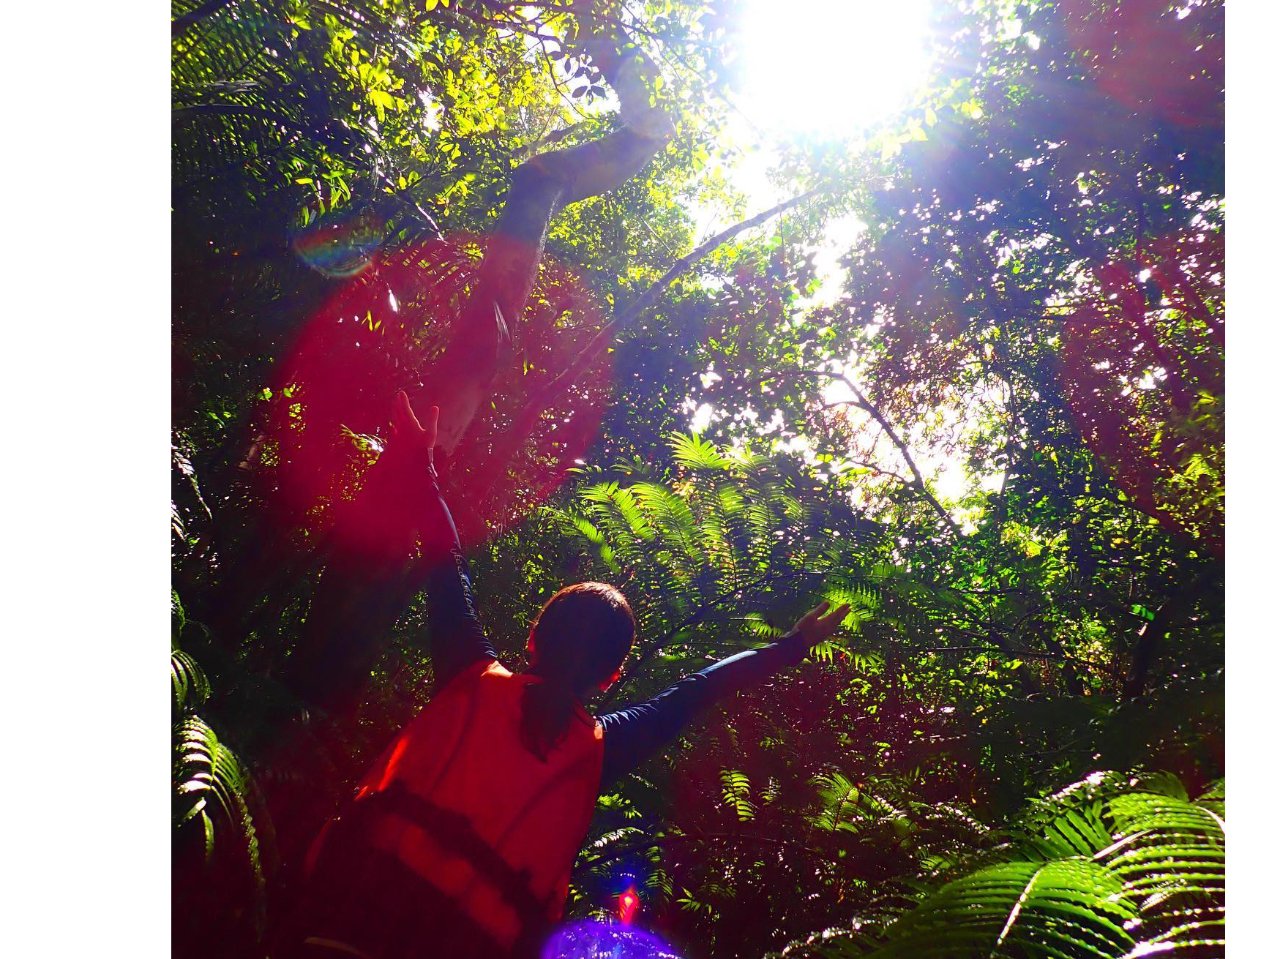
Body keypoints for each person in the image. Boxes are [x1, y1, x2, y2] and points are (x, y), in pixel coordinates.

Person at [284, 393, 849, 959]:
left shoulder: (471, 677)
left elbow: (445, 563)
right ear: (610, 677)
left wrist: (423, 463)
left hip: (342, 923)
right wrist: (793, 645)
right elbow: (697, 691)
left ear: (535, 636)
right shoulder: (598, 753)